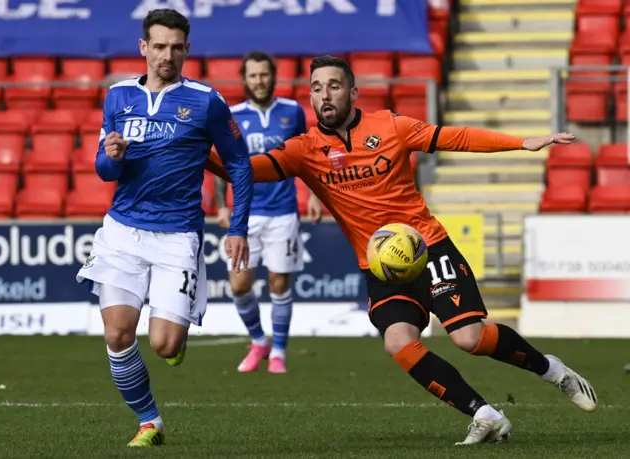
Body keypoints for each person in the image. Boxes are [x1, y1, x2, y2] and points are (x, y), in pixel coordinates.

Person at [205, 55, 598, 446]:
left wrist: (520, 143)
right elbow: (244, 169)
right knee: (398, 342)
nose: (325, 95)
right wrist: (196, 151)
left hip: (428, 248)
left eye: (334, 86)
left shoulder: (391, 127)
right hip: (380, 267)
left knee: (469, 339)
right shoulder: (304, 149)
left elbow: (454, 137)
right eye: (316, 88)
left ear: (353, 92)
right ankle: (484, 414)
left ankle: (554, 371)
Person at [76, 9, 253, 447]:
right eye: (159, 46)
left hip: (177, 235)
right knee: (117, 334)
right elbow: (103, 169)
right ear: (144, 48)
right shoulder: (117, 97)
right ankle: (149, 420)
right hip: (123, 231)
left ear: (187, 49)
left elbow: (238, 163)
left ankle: (176, 334)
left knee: (165, 346)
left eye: (176, 47)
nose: (167, 55)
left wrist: (239, 227)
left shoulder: (206, 100)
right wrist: (111, 156)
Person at [214, 51, 323, 374]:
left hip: (283, 212)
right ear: (244, 79)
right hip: (245, 215)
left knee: (278, 284)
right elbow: (223, 165)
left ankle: (278, 351)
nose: (259, 81)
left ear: (272, 77)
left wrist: (315, 195)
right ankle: (258, 340)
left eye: (264, 75)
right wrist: (221, 205)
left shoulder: (292, 112)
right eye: (253, 76)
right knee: (239, 285)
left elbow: (309, 157)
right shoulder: (232, 115)